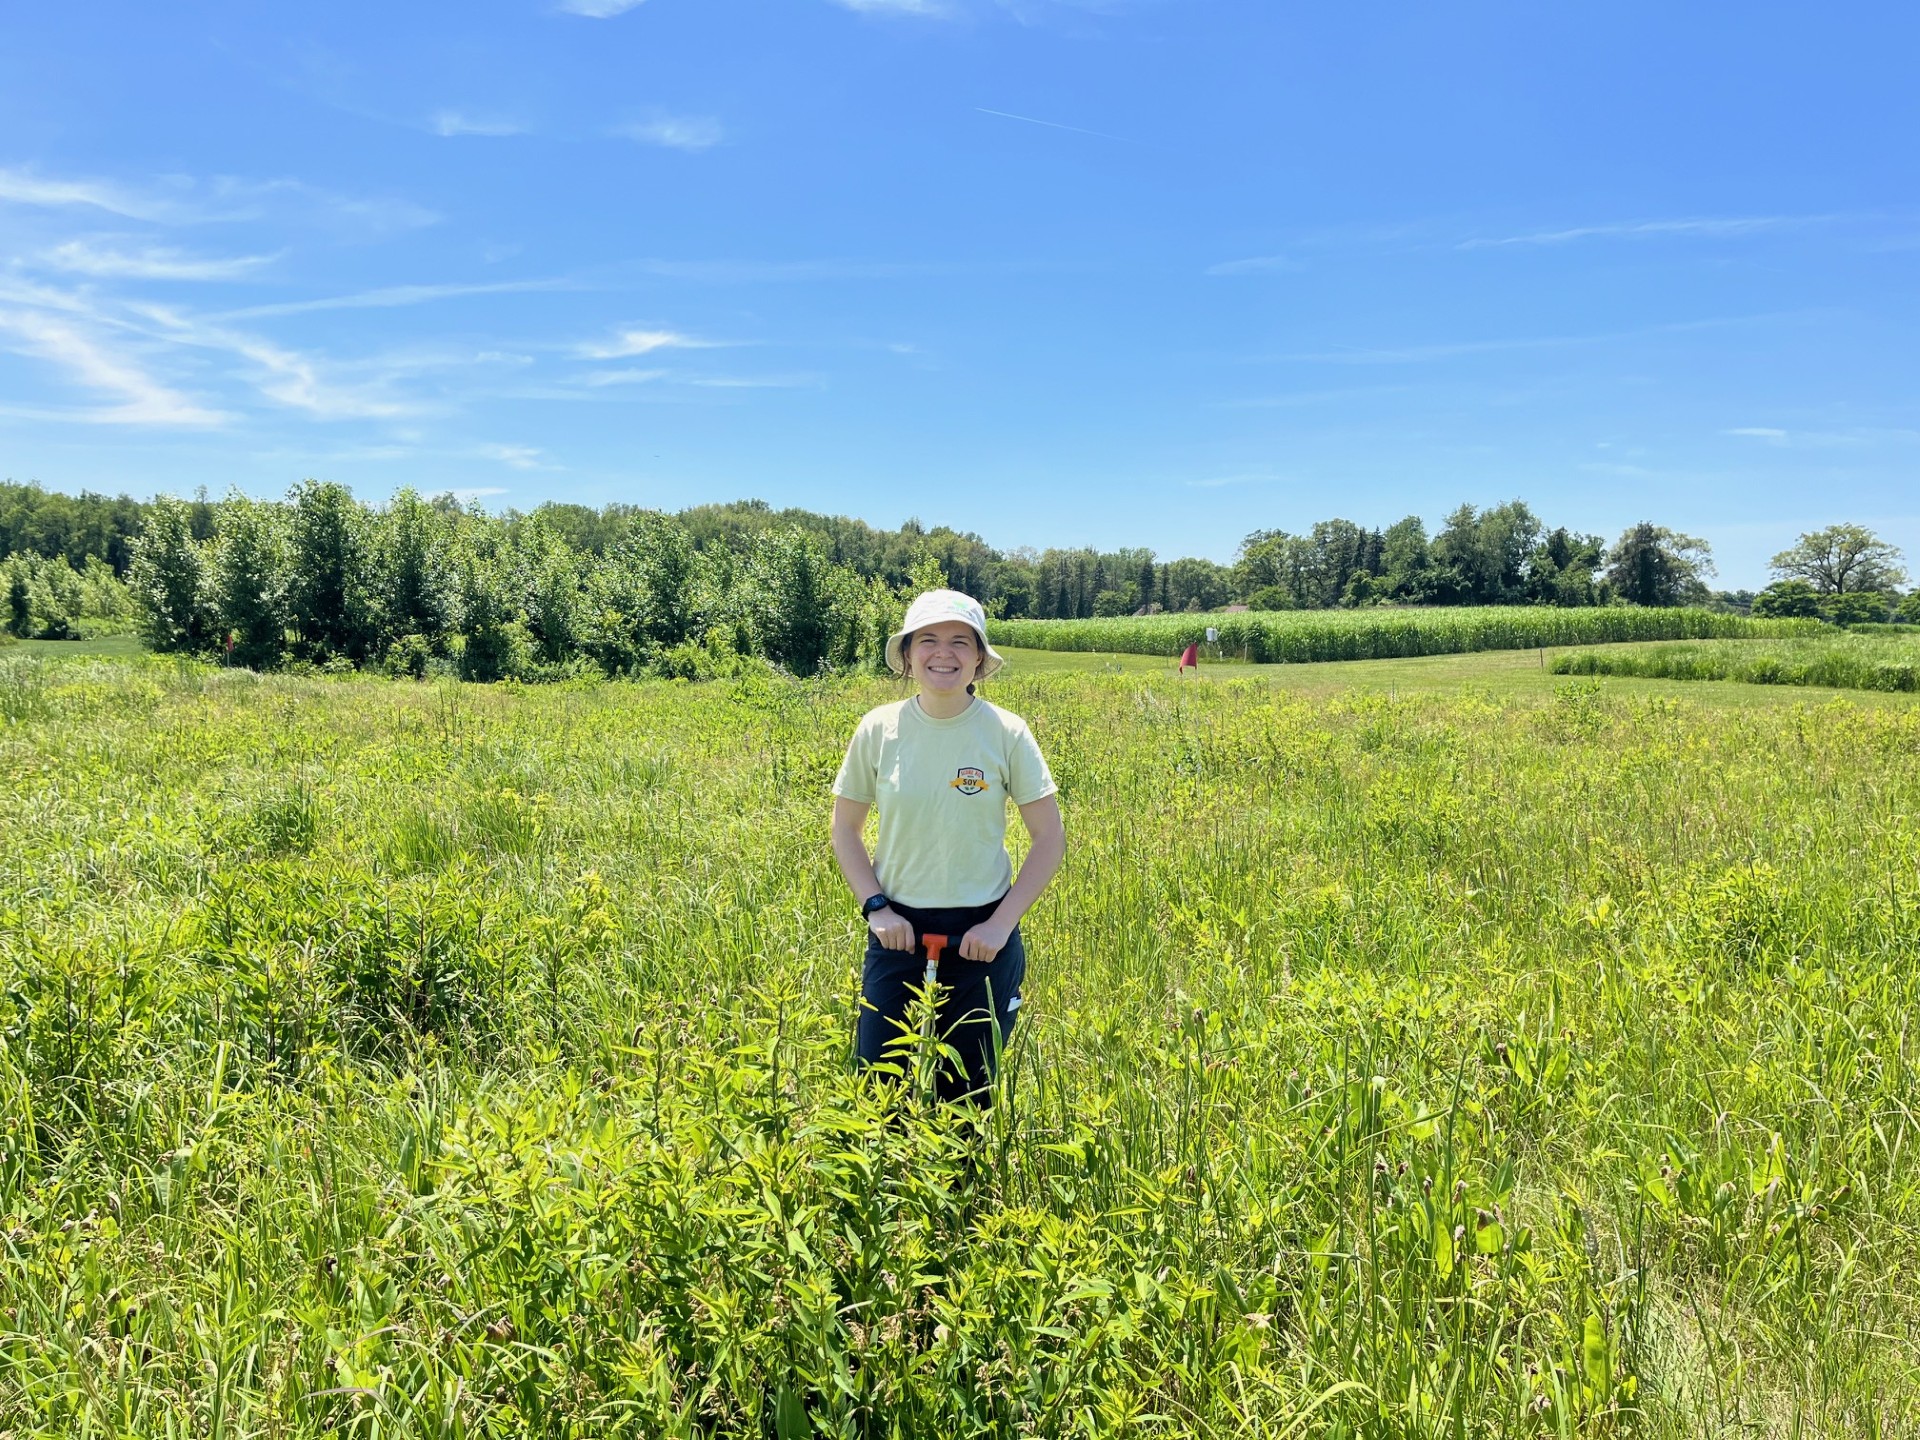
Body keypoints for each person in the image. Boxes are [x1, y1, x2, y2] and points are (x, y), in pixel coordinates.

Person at [830, 589, 1066, 1104]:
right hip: (897, 930)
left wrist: (1000, 924)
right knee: (880, 1089)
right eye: (928, 640)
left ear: (979, 657)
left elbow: (1049, 839)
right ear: (908, 653)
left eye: (960, 641)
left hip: (983, 933)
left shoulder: (1006, 732)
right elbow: (844, 831)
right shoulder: (878, 729)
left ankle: (963, 1184)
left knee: (969, 1094)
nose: (944, 653)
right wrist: (876, 910)